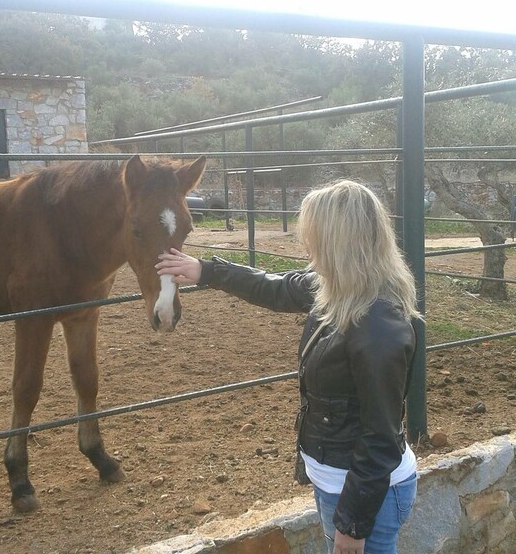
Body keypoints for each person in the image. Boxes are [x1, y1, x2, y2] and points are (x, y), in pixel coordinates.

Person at [156, 179, 420, 554]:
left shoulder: (378, 325)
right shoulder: (336, 287)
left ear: (336, 240)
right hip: (337, 480)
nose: (305, 243)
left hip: (361, 494)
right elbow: (277, 287)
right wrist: (207, 271)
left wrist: (352, 524)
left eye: (312, 233)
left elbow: (380, 438)